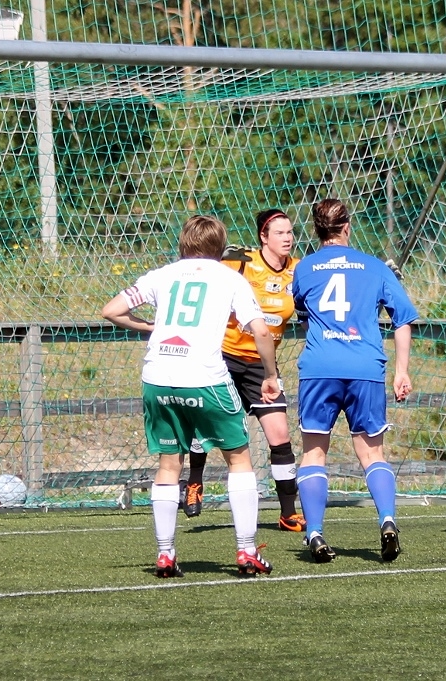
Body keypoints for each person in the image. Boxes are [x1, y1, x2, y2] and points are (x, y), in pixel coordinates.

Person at [102, 214, 279, 579]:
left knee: (169, 464)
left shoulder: (162, 275)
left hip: (158, 377)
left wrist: (149, 327)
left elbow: (111, 310)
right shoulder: (230, 278)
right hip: (204, 377)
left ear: (183, 243)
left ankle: (165, 554)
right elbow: (261, 331)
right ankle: (247, 550)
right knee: (238, 459)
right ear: (220, 247)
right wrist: (271, 374)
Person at [292, 198, 418, 563]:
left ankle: (315, 532)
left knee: (314, 453)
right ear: (347, 226)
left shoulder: (305, 267)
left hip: (320, 367)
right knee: (372, 453)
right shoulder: (375, 266)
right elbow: (403, 320)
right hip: (365, 366)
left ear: (317, 230)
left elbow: (302, 314)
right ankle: (387, 520)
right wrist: (402, 370)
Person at [181, 209, 305, 532]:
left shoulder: (298, 270)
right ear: (263, 237)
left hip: (262, 366)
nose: (288, 238)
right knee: (205, 425)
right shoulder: (240, 263)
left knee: (280, 435)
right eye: (279, 233)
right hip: (224, 358)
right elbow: (201, 275)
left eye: (290, 232)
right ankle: (194, 482)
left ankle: (288, 512)